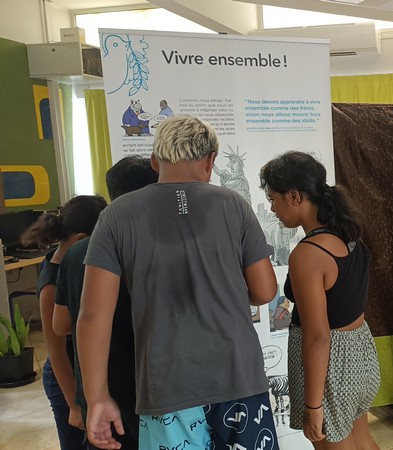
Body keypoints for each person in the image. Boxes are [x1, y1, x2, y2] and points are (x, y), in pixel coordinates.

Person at [77, 116, 279, 450]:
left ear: (155, 161)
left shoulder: (116, 215)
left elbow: (93, 316)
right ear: (210, 161)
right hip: (238, 377)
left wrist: (97, 397)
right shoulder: (234, 205)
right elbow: (264, 291)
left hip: (166, 386)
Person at [260, 151, 380, 449]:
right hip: (359, 353)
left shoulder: (309, 254)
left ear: (294, 196)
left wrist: (313, 405)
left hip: (330, 367)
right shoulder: (349, 234)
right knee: (361, 440)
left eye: (273, 199)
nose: (272, 208)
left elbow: (317, 335)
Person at [51, 156, 159, 449]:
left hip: (98, 388)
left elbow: (60, 325)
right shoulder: (156, 246)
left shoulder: (77, 252)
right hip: (150, 389)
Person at [21, 195, 107, 450]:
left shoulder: (73, 264)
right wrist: (74, 404)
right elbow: (56, 352)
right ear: (81, 239)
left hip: (81, 370)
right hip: (65, 380)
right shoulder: (52, 283)